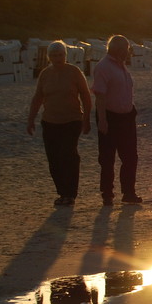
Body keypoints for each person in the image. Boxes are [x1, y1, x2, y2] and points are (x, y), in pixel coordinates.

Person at [27, 40, 92, 206]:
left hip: (72, 120)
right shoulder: (45, 74)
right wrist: (31, 119)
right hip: (50, 121)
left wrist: (87, 119)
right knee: (54, 159)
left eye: (61, 55)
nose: (58, 58)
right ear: (49, 57)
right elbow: (38, 97)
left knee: (68, 155)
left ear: (65, 55)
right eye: (54, 55)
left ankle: (70, 194)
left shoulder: (74, 72)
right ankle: (62, 193)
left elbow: (85, 96)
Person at [91, 35, 141, 206]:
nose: (128, 52)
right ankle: (107, 193)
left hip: (126, 117)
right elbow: (100, 96)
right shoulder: (103, 67)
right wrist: (103, 120)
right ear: (119, 50)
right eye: (127, 49)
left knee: (130, 157)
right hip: (110, 117)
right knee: (107, 158)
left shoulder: (122, 66)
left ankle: (129, 192)